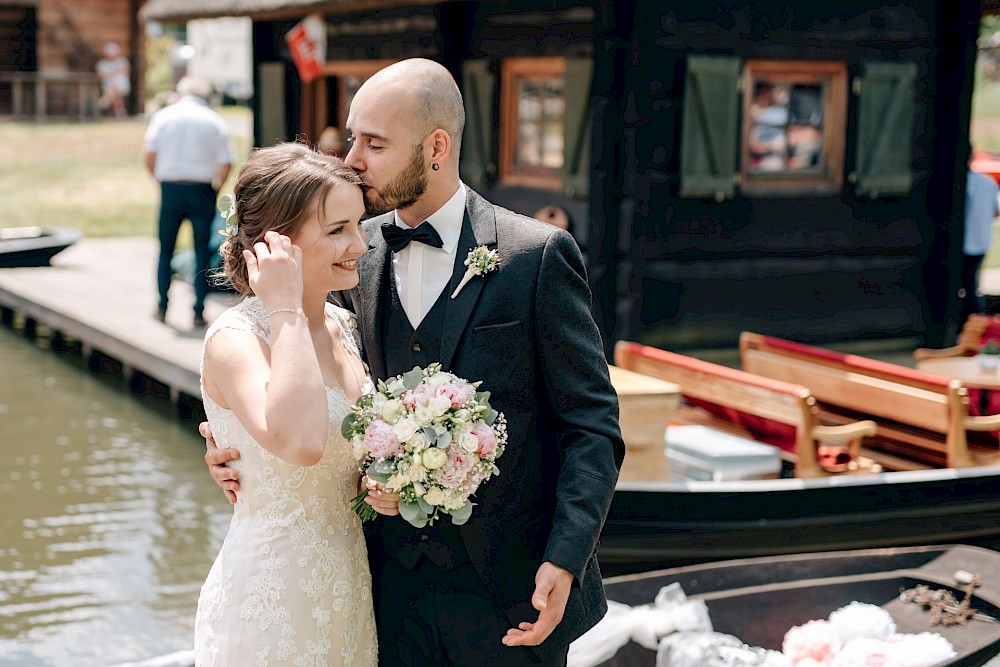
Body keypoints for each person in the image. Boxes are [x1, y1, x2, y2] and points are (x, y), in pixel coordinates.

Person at [203, 58, 624, 666]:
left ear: (435, 147)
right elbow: (295, 385)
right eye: (352, 137)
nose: (351, 158)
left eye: (374, 143)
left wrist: (566, 558)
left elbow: (592, 427)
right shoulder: (348, 254)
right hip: (379, 593)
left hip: (509, 595)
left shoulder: (535, 257)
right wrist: (232, 443)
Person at [194, 142, 398, 665]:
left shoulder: (345, 326)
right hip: (270, 599)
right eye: (336, 230)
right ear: (275, 245)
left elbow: (347, 452)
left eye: (358, 223)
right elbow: (303, 443)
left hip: (349, 594)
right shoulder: (234, 339)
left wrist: (385, 482)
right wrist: (284, 304)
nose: (360, 243)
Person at [143, 76, 234, 327]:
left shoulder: (163, 117)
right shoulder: (213, 120)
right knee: (201, 251)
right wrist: (217, 188)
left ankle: (162, 306)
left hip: (170, 187)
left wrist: (158, 179)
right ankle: (198, 310)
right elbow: (226, 162)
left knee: (165, 249)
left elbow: (149, 154)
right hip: (202, 189)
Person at [961, 164, 1000, 325]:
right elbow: (996, 212)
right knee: (971, 282)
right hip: (982, 240)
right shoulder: (988, 182)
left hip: (966, 241)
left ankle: (978, 321)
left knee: (968, 284)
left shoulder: (964, 183)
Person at [96, 42, 130, 119]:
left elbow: (125, 71)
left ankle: (105, 100)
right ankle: (120, 113)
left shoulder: (123, 61)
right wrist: (116, 71)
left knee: (113, 86)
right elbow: (100, 75)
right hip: (108, 86)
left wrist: (109, 74)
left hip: (122, 85)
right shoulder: (102, 63)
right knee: (114, 90)